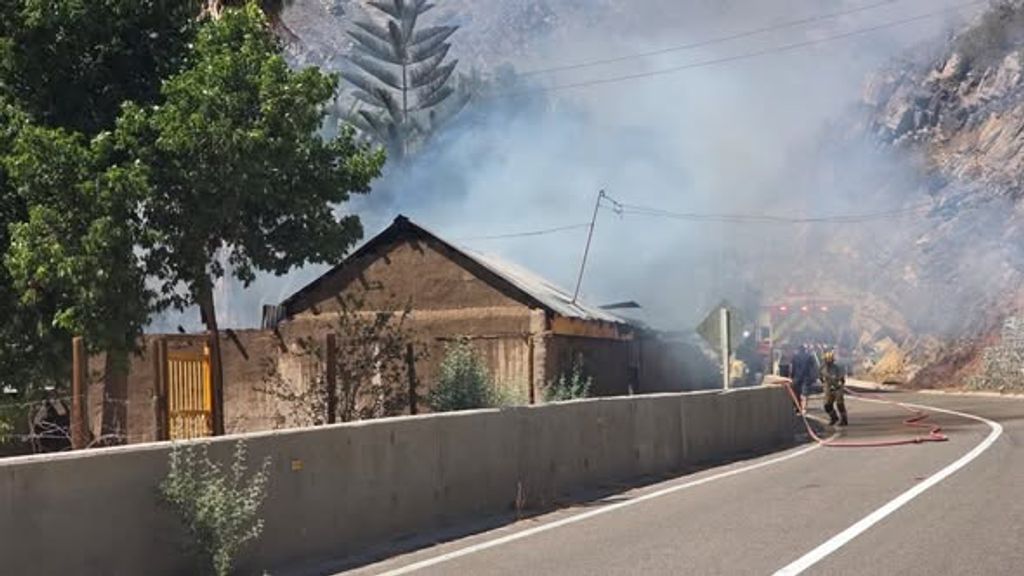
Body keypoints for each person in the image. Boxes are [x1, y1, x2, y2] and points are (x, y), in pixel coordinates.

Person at [820, 349, 847, 426]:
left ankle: (844, 419)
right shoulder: (822, 368)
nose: (827, 362)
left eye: (829, 361)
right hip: (828, 388)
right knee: (827, 405)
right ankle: (834, 417)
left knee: (840, 404)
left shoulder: (837, 368)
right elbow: (821, 378)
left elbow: (842, 380)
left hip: (837, 388)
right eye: (826, 360)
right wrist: (825, 385)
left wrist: (838, 384)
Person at [789, 344, 816, 414]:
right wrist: (813, 378)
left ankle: (797, 407)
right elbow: (813, 368)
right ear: (805, 350)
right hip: (806, 377)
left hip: (796, 377)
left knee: (796, 393)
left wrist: (791, 376)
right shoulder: (809, 356)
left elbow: (792, 368)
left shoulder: (794, 356)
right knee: (804, 394)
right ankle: (803, 409)